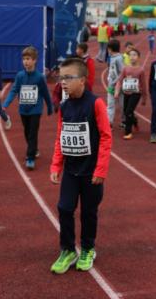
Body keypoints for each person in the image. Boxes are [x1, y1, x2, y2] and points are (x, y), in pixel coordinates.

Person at [49, 58, 111, 274]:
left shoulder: (96, 104)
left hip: (91, 173)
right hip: (71, 172)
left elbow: (105, 137)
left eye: (68, 78)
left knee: (88, 212)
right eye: (60, 78)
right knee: (64, 208)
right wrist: (56, 166)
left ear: (82, 80)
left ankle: (87, 248)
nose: (62, 82)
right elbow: (60, 137)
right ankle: (67, 250)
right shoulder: (64, 107)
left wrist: (100, 169)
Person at [3, 46, 52, 170]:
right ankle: (34, 149)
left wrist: (50, 106)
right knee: (27, 131)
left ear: (34, 60)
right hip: (23, 110)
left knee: (32, 133)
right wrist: (6, 104)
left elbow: (45, 93)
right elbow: (14, 90)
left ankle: (30, 157)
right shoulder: (20, 76)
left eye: (28, 59)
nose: (26, 61)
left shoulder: (40, 77)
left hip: (36, 110)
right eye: (24, 59)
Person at [114, 48, 146, 140]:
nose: (132, 57)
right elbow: (120, 81)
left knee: (128, 111)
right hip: (126, 93)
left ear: (138, 57)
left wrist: (144, 98)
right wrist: (117, 91)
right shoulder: (125, 68)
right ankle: (135, 121)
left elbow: (143, 85)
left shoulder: (141, 70)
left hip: (136, 93)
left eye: (134, 55)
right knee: (127, 111)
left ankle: (128, 132)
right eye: (130, 55)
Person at [106, 39, 124, 128]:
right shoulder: (111, 58)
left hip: (119, 86)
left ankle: (124, 121)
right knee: (110, 104)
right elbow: (111, 71)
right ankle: (109, 123)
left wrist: (117, 83)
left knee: (122, 105)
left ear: (110, 49)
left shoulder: (119, 58)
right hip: (111, 85)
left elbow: (122, 72)